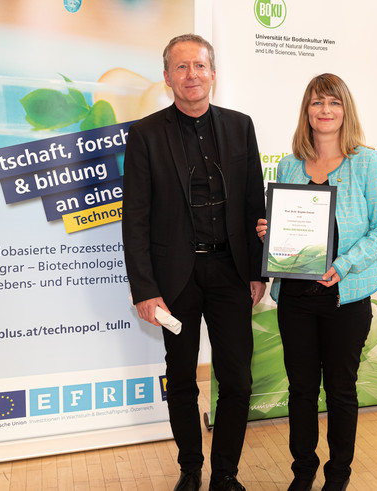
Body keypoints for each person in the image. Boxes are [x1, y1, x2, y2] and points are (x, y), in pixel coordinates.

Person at [122, 34, 266, 491]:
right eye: (181, 67)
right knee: (181, 378)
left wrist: (258, 271)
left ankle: (225, 473)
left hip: (231, 273)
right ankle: (190, 468)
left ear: (213, 73)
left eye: (199, 66)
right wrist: (145, 289)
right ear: (167, 77)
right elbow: (135, 218)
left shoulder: (240, 126)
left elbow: (254, 205)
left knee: (237, 380)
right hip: (175, 279)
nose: (192, 75)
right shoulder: (145, 134)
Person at [257, 73, 377, 491]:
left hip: (345, 298)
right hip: (295, 298)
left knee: (340, 390)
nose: (325, 110)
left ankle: (338, 476)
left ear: (345, 110)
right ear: (307, 111)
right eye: (317, 102)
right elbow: (285, 230)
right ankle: (303, 472)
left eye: (334, 102)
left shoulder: (367, 163)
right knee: (301, 389)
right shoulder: (289, 165)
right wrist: (269, 232)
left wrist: (346, 263)